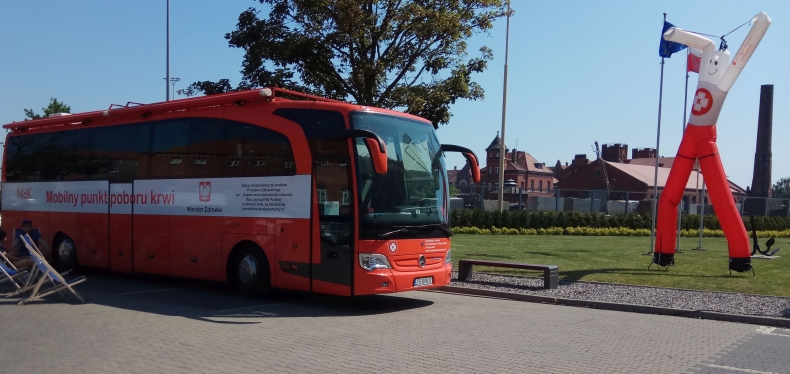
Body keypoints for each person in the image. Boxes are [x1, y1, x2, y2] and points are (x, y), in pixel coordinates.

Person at [656, 12, 771, 272]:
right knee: (668, 201)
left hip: (705, 141)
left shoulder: (723, 85)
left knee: (723, 203)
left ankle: (740, 257)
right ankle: (663, 253)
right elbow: (706, 45)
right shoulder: (708, 72)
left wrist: (760, 23)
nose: (713, 62)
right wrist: (674, 35)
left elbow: (739, 55)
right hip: (690, 139)